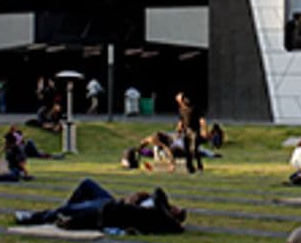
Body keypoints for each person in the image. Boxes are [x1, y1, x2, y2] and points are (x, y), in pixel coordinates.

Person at [12, 178, 187, 234]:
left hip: (110, 209)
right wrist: (137, 196)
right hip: (114, 202)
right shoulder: (155, 201)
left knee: (73, 210)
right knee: (87, 184)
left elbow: (159, 196)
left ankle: (34, 217)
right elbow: (156, 192)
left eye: (178, 211)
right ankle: (66, 213)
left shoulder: (160, 215)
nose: (176, 207)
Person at [176, 92, 205, 174]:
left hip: (195, 131)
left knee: (195, 149)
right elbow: (181, 121)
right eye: (184, 99)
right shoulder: (181, 109)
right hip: (186, 131)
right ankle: (190, 167)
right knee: (187, 150)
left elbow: (201, 120)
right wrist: (178, 131)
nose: (186, 101)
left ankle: (199, 166)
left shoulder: (195, 108)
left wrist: (204, 130)